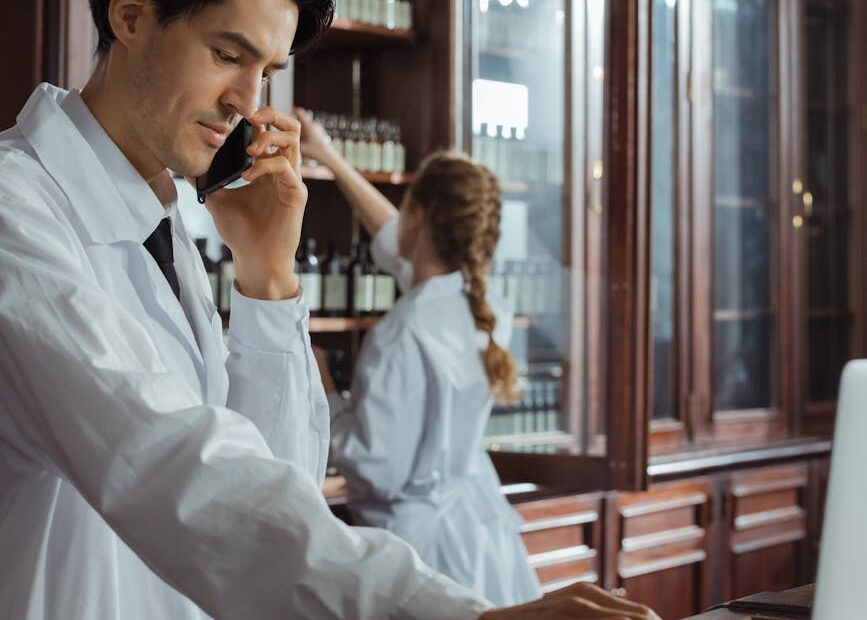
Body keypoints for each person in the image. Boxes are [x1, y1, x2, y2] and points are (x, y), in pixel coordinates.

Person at [0, 0, 658, 618]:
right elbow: (168, 463)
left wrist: (268, 277)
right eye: (228, 55)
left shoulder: (168, 232)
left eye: (267, 73)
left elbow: (278, 480)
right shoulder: (15, 212)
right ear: (131, 13)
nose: (245, 104)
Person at [299, 113, 542, 606]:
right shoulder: (485, 306)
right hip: (480, 531)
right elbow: (393, 237)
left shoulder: (403, 331)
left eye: (406, 204)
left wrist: (326, 390)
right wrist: (327, 156)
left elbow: (377, 466)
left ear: (422, 216)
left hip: (420, 546)